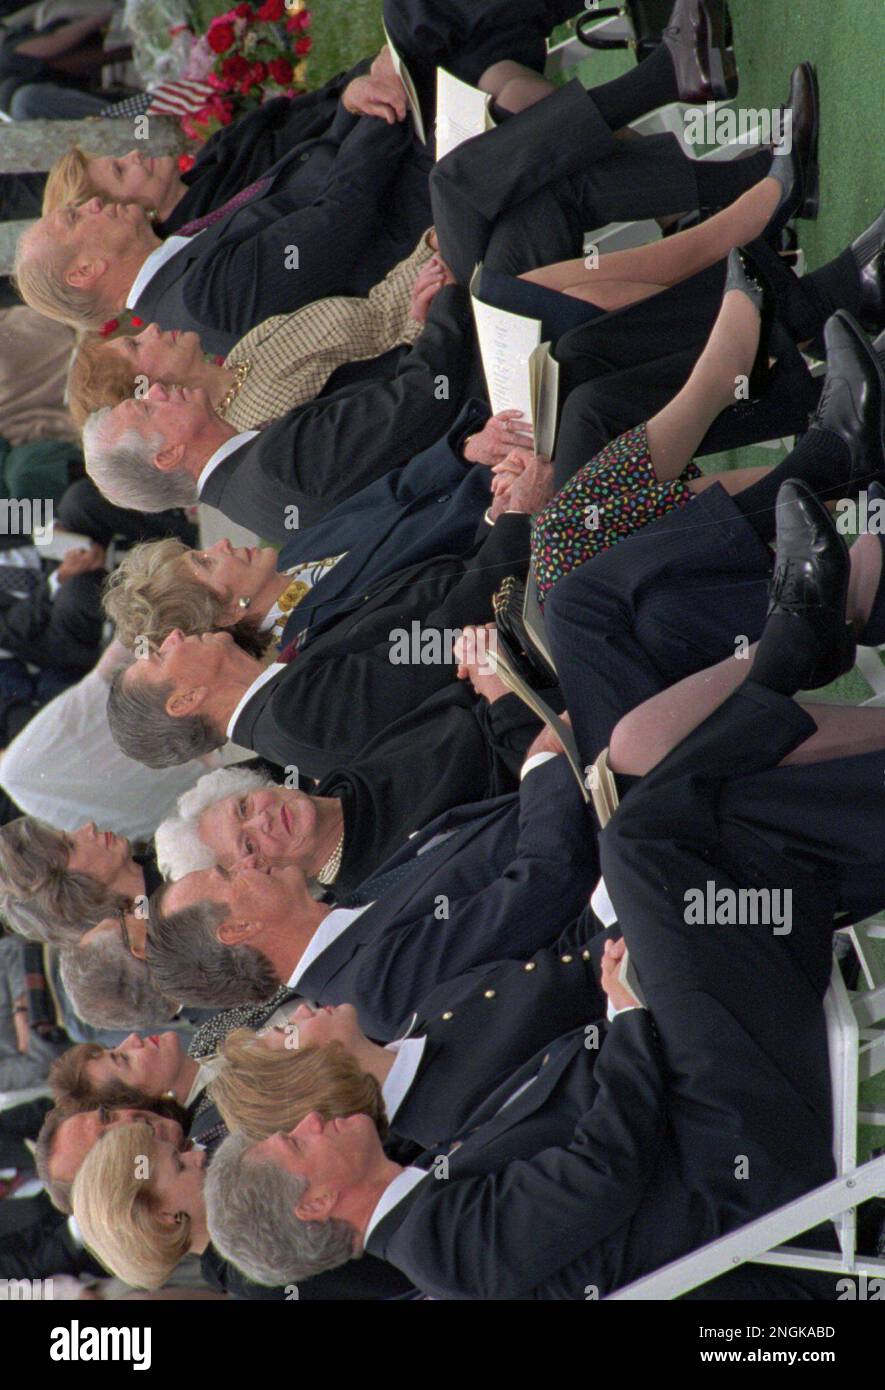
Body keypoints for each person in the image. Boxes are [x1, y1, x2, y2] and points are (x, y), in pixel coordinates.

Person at [145, 743, 598, 1040]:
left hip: (581, 792)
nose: (247, 862)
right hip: (609, 840)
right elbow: (547, 885)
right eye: (229, 876)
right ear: (238, 928)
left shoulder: (352, 910)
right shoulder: (372, 988)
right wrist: (542, 762)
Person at [0, 812, 162, 945]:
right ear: (68, 894)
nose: (89, 827)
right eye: (71, 845)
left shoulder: (161, 850)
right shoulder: (161, 928)